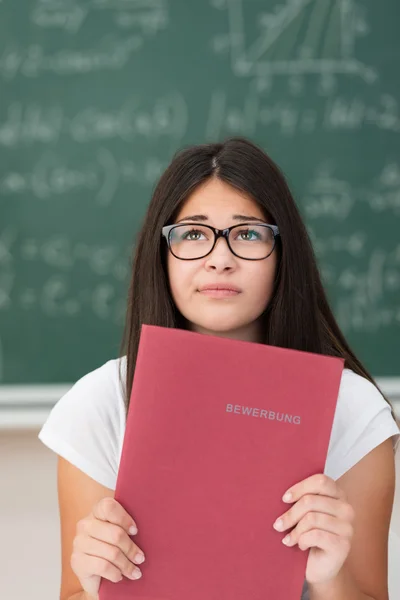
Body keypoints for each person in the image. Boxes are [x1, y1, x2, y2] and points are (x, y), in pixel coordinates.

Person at [38, 137, 400, 600]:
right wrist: (92, 585)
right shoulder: (99, 405)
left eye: (248, 234)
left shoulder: (354, 410)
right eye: (193, 233)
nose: (220, 258)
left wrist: (330, 577)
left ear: (282, 253)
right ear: (162, 252)